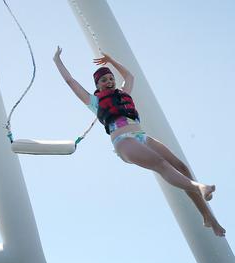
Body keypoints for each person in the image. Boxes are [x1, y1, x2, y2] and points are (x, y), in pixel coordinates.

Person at [53, 47, 225, 237]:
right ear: (97, 85)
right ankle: (199, 187)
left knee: (181, 166)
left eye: (111, 78)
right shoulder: (93, 101)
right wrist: (57, 61)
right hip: (123, 140)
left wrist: (110, 60)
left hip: (141, 136)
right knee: (161, 164)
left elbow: (129, 76)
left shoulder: (123, 92)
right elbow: (70, 81)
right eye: (104, 80)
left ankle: (209, 218)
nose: (109, 81)